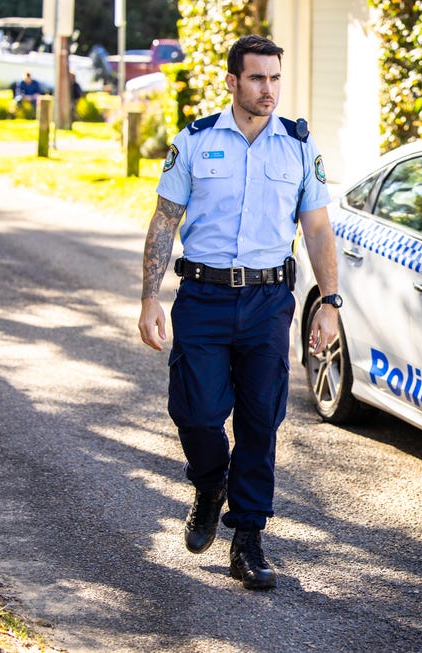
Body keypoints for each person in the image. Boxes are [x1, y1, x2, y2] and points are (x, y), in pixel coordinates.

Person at [137, 35, 340, 591]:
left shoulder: (298, 147)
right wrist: (150, 296)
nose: (268, 89)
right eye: (256, 79)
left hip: (268, 302)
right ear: (232, 82)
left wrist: (330, 301)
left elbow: (318, 229)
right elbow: (164, 221)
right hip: (202, 298)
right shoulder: (196, 142)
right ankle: (208, 483)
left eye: (275, 78)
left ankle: (248, 539)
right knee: (196, 414)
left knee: (260, 423)